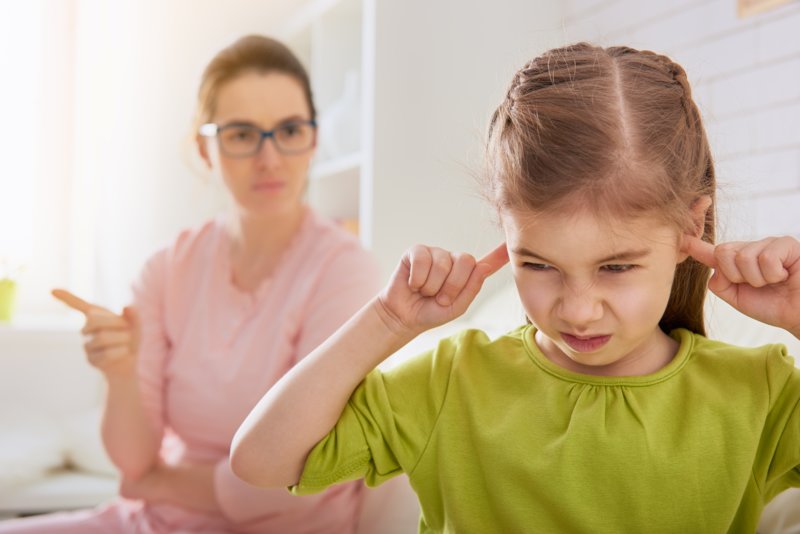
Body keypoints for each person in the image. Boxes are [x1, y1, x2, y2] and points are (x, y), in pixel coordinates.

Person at [229, 43, 800, 533]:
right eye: (539, 265)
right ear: (505, 234)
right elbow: (260, 461)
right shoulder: (452, 380)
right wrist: (388, 321)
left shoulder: (758, 392)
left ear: (689, 229)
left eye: (616, 268)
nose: (578, 311)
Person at [0, 35, 379, 533]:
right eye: (242, 134)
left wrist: (166, 483)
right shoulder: (167, 268)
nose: (270, 158)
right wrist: (120, 373)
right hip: (158, 521)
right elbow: (133, 464)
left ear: (313, 138)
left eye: (289, 130)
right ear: (204, 148)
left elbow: (305, 485)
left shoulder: (344, 271)